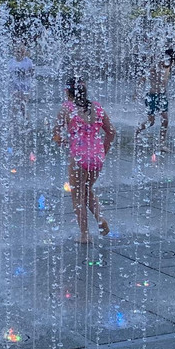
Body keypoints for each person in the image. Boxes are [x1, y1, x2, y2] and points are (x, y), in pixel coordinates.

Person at [53, 75, 115, 243]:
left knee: (77, 195)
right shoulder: (97, 107)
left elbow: (56, 134)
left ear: (68, 92)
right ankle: (100, 219)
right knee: (87, 190)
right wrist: (103, 151)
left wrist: (64, 142)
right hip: (97, 157)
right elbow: (111, 132)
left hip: (79, 157)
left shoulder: (67, 108)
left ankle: (84, 234)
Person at [134, 48, 175, 153]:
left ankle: (162, 144)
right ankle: (137, 132)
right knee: (151, 122)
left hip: (162, 96)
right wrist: (137, 92)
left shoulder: (169, 67)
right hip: (152, 97)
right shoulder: (155, 67)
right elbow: (142, 79)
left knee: (165, 120)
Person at [8, 44, 35, 124]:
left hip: (25, 87)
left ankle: (26, 120)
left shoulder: (28, 61)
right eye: (18, 51)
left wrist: (26, 73)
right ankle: (14, 121)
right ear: (15, 52)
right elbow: (8, 75)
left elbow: (33, 73)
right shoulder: (11, 62)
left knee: (23, 105)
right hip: (15, 86)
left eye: (22, 51)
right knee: (15, 104)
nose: (20, 53)